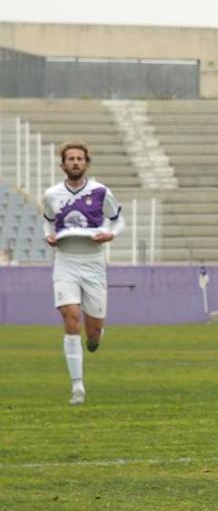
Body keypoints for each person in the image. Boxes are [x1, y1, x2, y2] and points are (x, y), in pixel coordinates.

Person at [42, 142, 124, 406]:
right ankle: (77, 386)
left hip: (93, 263)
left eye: (79, 158)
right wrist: (48, 236)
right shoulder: (52, 194)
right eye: (70, 159)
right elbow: (47, 221)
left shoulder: (100, 191)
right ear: (62, 165)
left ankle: (97, 334)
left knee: (92, 332)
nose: (75, 162)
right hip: (65, 261)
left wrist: (111, 233)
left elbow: (118, 218)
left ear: (86, 163)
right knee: (71, 317)